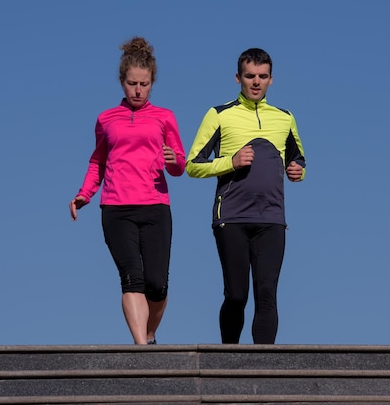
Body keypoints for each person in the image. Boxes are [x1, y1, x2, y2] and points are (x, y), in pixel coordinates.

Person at [69, 37, 186, 345]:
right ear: (122, 82)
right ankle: (141, 347)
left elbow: (178, 164)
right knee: (132, 278)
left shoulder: (164, 117)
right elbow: (98, 161)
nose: (138, 90)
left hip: (155, 206)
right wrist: (85, 194)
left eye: (144, 84)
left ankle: (149, 335)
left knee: (157, 285)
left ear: (152, 83)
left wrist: (176, 162)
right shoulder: (106, 119)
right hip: (117, 208)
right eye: (132, 83)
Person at [186, 48, 306, 344]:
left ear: (271, 80)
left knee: (267, 294)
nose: (256, 82)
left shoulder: (285, 118)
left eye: (262, 77)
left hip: (272, 218)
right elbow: (192, 165)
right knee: (237, 294)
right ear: (238, 78)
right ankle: (228, 359)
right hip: (232, 217)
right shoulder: (219, 114)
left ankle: (262, 372)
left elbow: (298, 158)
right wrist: (231, 162)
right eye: (250, 76)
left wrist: (297, 171)